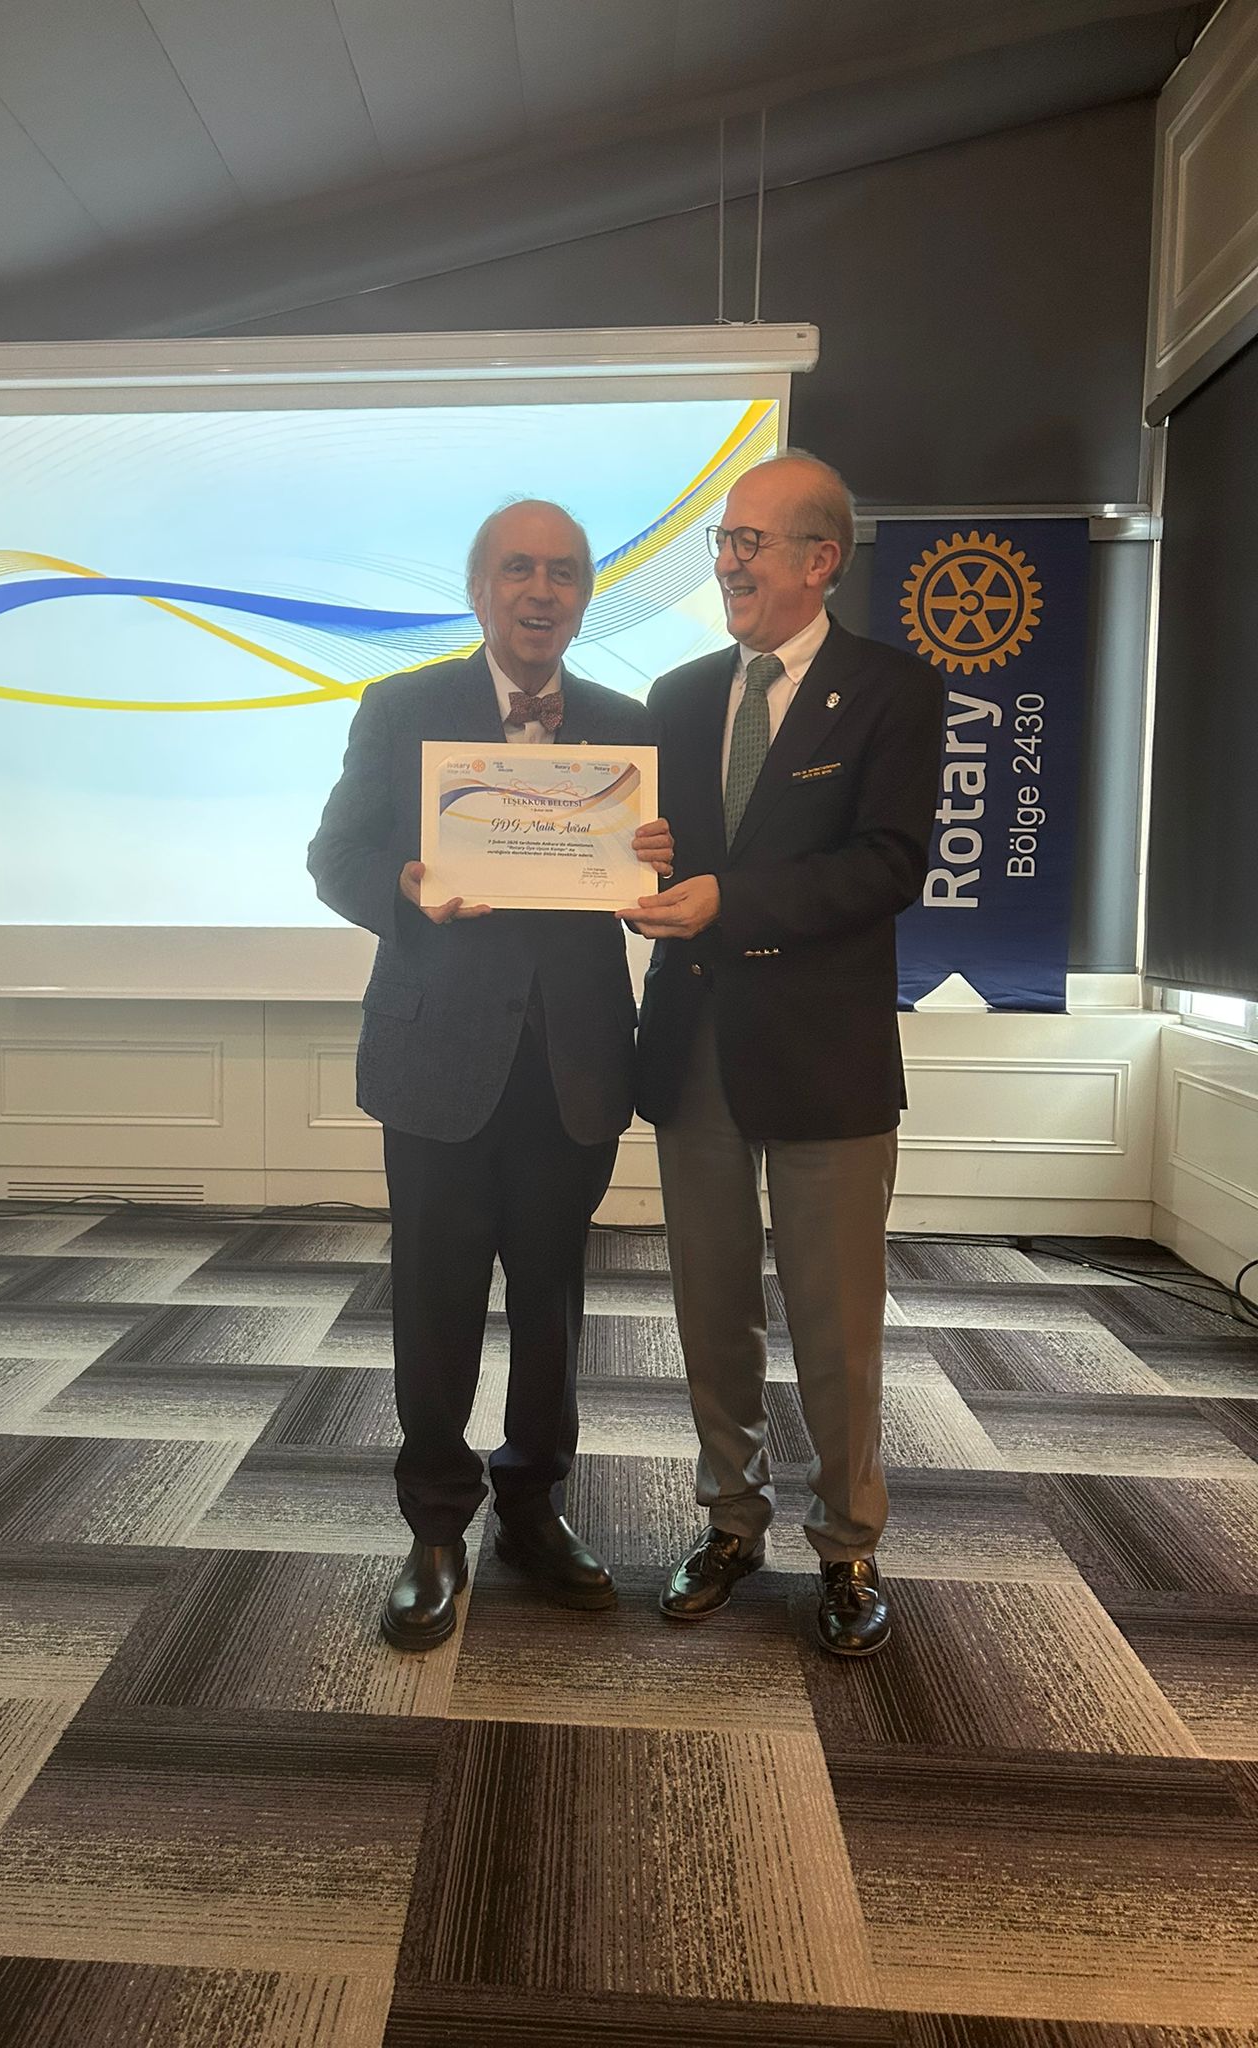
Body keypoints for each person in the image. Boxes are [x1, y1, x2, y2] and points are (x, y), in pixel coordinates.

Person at [308, 498, 671, 1652]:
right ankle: (434, 1525)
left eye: (563, 573)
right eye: (519, 569)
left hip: (573, 1061)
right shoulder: (403, 708)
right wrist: (410, 884)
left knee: (553, 1301)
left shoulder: (626, 727)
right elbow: (335, 856)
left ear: (584, 597)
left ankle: (532, 1505)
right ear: (479, 590)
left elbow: (655, 893)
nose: (541, 591)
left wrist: (658, 869)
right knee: (437, 1297)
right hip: (438, 1057)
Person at [626, 451, 942, 1657]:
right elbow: (663, 853)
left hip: (825, 1058)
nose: (728, 560)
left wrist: (727, 899)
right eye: (723, 538)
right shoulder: (676, 692)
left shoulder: (895, 688)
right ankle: (730, 1520)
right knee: (710, 1307)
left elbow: (888, 864)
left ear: (822, 560)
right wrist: (632, 875)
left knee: (834, 1321)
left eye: (750, 540)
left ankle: (849, 1543)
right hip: (695, 1048)